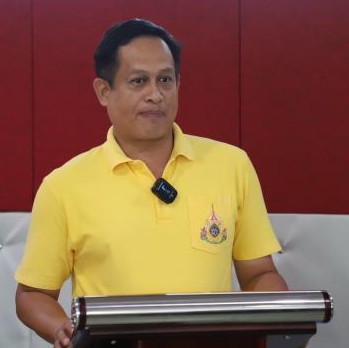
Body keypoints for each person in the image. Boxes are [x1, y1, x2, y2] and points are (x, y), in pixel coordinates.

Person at [15, 19, 288, 347]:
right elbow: (32, 294)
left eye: (165, 80)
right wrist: (61, 329)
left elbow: (258, 273)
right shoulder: (63, 186)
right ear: (104, 91)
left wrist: (282, 318)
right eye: (138, 81)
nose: (155, 95)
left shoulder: (231, 165)